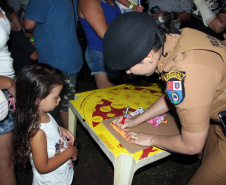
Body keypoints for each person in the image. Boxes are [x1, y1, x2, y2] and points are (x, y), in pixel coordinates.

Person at [103, 12, 226, 184]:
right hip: (218, 120)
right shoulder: (174, 41)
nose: (128, 72)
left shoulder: (188, 72)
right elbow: (174, 93)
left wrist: (151, 139)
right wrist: (136, 120)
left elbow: (192, 145)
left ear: (147, 57)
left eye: (128, 68)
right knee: (207, 163)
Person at [13, 63, 78, 184]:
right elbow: (43, 167)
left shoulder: (43, 114)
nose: (59, 99)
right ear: (38, 100)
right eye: (56, 96)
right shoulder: (37, 133)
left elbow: (49, 129)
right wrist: (70, 151)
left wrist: (60, 129)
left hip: (61, 175)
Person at [23, 0, 84, 129]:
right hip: (71, 54)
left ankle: (62, 140)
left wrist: (32, 37)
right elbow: (77, 18)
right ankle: (70, 138)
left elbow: (28, 24)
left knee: (48, 105)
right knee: (65, 104)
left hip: (54, 60)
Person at [78, 0, 121, 89]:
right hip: (100, 53)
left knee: (118, 94)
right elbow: (103, 32)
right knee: (109, 96)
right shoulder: (88, 2)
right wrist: (128, 20)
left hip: (114, 52)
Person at [0, 6, 16, 185]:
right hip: (3, 91)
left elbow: (18, 28)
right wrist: (10, 84)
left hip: (6, 90)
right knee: (5, 163)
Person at [2, 4, 38, 75]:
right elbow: (34, 56)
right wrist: (31, 39)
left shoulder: (6, 37)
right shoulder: (17, 36)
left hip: (17, 75)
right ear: (13, 15)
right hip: (29, 74)